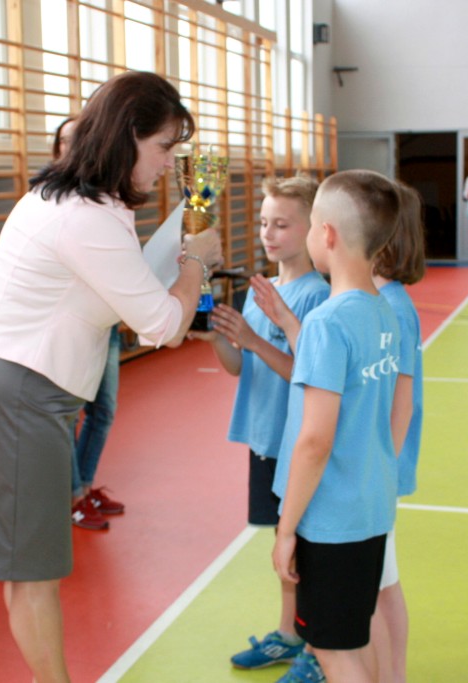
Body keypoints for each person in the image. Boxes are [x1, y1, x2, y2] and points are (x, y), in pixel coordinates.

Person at [0, 71, 223, 683]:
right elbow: (161, 325)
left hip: (20, 387)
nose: (169, 163)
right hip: (17, 393)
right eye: (164, 147)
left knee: (33, 566)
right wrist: (196, 264)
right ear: (127, 137)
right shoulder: (85, 216)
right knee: (33, 572)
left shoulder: (84, 201)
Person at [190, 175, 329, 677]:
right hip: (265, 440)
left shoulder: (317, 297)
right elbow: (238, 367)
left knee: (307, 552)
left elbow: (307, 374)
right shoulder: (261, 290)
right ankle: (290, 634)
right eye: (264, 222)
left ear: (313, 229)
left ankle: (319, 650)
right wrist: (219, 339)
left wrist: (252, 338)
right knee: (282, 546)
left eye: (282, 224)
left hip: (296, 444)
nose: (268, 233)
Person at [267, 169, 402, 682]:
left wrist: (285, 530)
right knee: (350, 642)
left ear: (325, 234)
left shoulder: (326, 322)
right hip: (370, 509)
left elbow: (315, 440)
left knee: (332, 652)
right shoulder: (383, 311)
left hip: (330, 521)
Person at [48, 117, 127, 532]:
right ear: (57, 149)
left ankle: (85, 485)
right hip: (72, 328)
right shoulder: (49, 201)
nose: (73, 146)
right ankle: (72, 496)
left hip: (105, 323)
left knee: (104, 410)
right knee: (69, 414)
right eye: (65, 140)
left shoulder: (107, 200)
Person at [369, 183, 427, 683]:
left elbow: (399, 405)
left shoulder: (392, 309)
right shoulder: (385, 303)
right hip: (378, 469)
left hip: (378, 472)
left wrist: (379, 469)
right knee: (381, 581)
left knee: (381, 585)